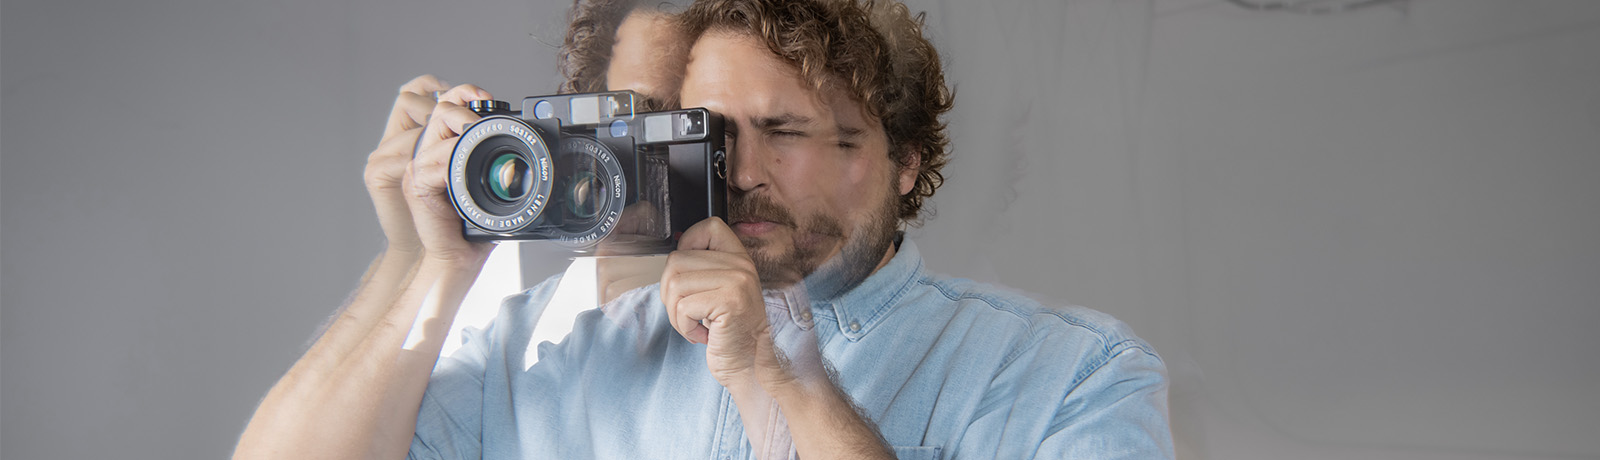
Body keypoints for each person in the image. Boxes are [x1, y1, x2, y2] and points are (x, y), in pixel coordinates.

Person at [234, 0, 1174, 458]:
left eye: (787, 131)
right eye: (709, 136)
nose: (742, 173)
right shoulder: (541, 361)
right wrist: (421, 265)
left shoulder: (1072, 375)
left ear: (905, 160)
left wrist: (777, 378)